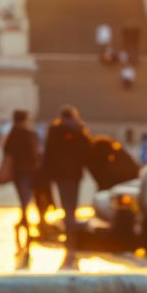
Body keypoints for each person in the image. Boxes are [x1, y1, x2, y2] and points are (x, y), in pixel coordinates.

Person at [42, 105, 92, 248]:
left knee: (66, 204)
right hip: (73, 173)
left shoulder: (54, 130)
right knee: (72, 204)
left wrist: (47, 173)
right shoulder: (78, 130)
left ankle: (69, 232)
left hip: (61, 174)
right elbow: (87, 150)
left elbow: (48, 153)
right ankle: (71, 234)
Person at [1, 108, 42, 236]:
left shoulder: (11, 134)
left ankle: (23, 224)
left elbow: (6, 152)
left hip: (17, 173)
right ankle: (24, 226)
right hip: (28, 172)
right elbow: (35, 154)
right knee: (26, 200)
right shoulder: (29, 134)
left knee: (24, 200)